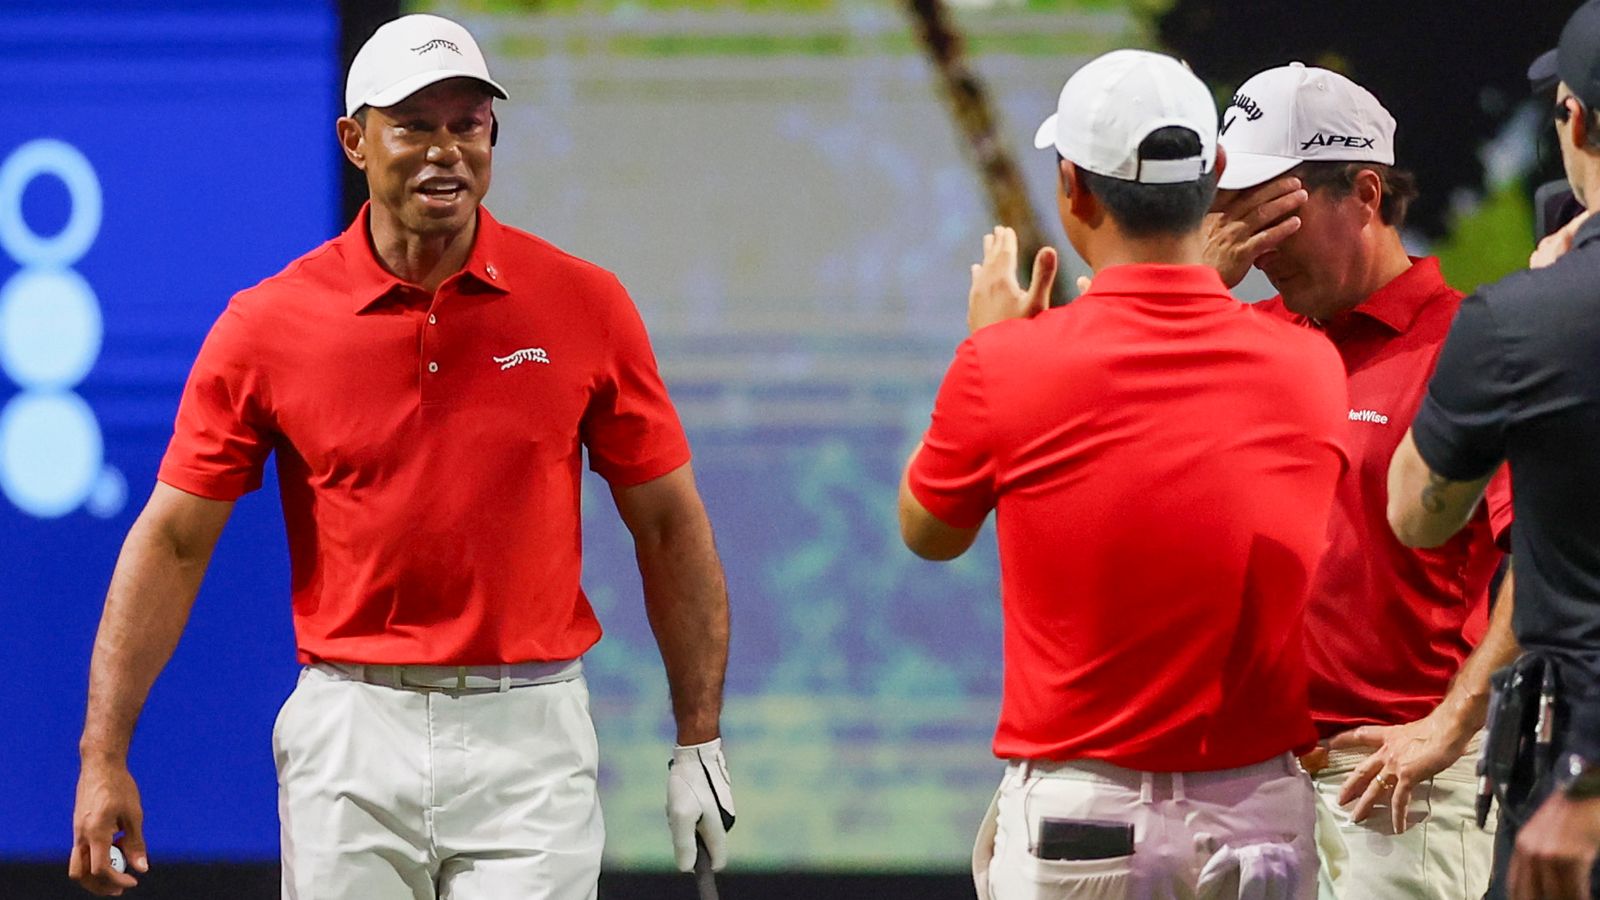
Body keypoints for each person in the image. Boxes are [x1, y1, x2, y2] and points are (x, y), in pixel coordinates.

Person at [67, 14, 734, 899]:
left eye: (467, 125)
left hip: (530, 735)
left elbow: (668, 526)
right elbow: (174, 541)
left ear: (493, 136)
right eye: (414, 125)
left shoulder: (584, 303)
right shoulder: (268, 324)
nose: (444, 151)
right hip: (350, 729)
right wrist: (103, 755)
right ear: (355, 141)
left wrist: (699, 738)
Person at [898, 49, 1349, 900]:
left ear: (1073, 188)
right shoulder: (1310, 366)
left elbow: (929, 531)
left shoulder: (1007, 364)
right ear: (1214, 174)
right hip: (1257, 821)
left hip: (1083, 822)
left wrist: (985, 347)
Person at [1202, 63, 1516, 898]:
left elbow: (1553, 559)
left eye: (1274, 211)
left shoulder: (1472, 346)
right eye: (1233, 212)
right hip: (1243, 789)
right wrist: (1192, 291)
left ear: (1366, 193)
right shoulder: (1230, 340)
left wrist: (1453, 725)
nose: (1256, 245)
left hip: (1398, 793)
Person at [1388, 3, 1600, 897]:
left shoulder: (1523, 321)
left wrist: (1587, 779)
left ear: (1576, 120)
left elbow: (1416, 514)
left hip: (1573, 788)